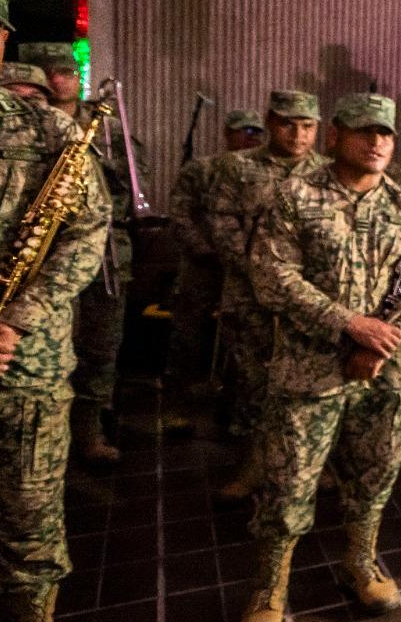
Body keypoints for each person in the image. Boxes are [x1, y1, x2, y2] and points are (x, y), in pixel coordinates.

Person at [236, 94, 401, 622]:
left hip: (386, 370)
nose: (376, 142)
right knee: (289, 481)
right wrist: (349, 324)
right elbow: (273, 276)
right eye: (362, 131)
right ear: (335, 137)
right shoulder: (296, 196)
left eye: (386, 133)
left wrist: (379, 343)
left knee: (374, 474)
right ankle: (269, 585)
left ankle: (362, 561)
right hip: (309, 369)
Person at [0, 0, 111, 622]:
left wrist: (19, 314)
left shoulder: (46, 133)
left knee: (31, 505)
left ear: (2, 39)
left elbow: (87, 231)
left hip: (25, 359)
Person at [204, 91, 328, 505]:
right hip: (250, 296)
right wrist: (260, 269)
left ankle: (311, 465)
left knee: (309, 387)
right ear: (271, 122)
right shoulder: (237, 168)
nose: (298, 134)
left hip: (308, 303)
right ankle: (255, 465)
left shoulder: (327, 172)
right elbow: (221, 223)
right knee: (254, 386)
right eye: (289, 124)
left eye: (308, 125)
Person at [26, 41, 143, 468]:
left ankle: (89, 430)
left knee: (100, 347)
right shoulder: (25, 122)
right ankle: (46, 435)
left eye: (66, 71)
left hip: (102, 255)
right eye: (49, 72)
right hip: (40, 257)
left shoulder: (104, 124)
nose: (60, 79)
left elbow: (133, 186)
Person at [165, 109, 263, 420]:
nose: (250, 138)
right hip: (202, 267)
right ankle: (178, 410)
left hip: (247, 271)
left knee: (242, 342)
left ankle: (236, 411)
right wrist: (205, 250)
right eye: (243, 131)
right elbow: (179, 215)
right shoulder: (202, 169)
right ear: (227, 133)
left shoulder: (263, 173)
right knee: (191, 338)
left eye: (256, 132)